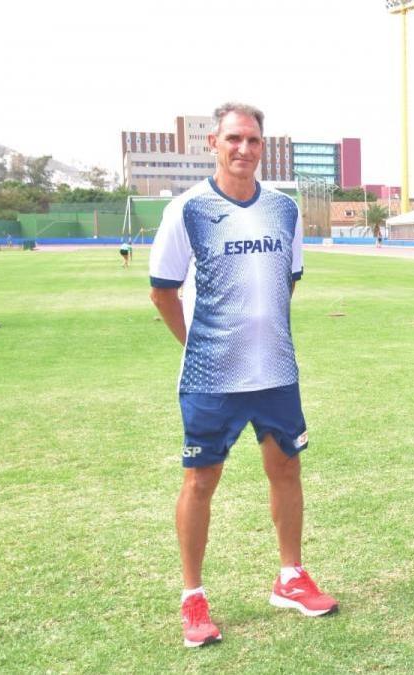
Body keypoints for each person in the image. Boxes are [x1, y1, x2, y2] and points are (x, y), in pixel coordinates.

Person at [149, 102, 337, 649]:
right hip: (212, 373)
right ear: (213, 142)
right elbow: (163, 292)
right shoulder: (186, 210)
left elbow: (288, 279)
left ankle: (290, 578)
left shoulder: (283, 210)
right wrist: (200, 345)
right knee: (201, 480)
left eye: (253, 140)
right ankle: (193, 597)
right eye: (233, 139)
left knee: (286, 469)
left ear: (262, 146)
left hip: (276, 369)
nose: (243, 149)